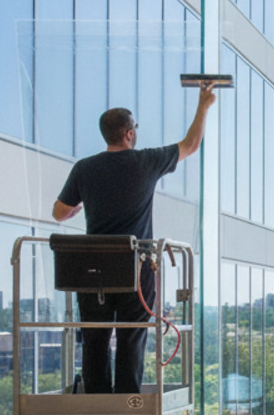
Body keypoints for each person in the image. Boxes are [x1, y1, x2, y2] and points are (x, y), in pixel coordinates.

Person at [51, 86, 216, 394]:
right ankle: (127, 398)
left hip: (92, 270)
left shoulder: (84, 168)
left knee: (95, 336)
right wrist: (204, 105)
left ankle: (97, 399)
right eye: (135, 128)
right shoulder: (146, 162)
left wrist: (80, 204)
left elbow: (59, 213)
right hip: (135, 267)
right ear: (128, 133)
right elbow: (191, 144)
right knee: (132, 334)